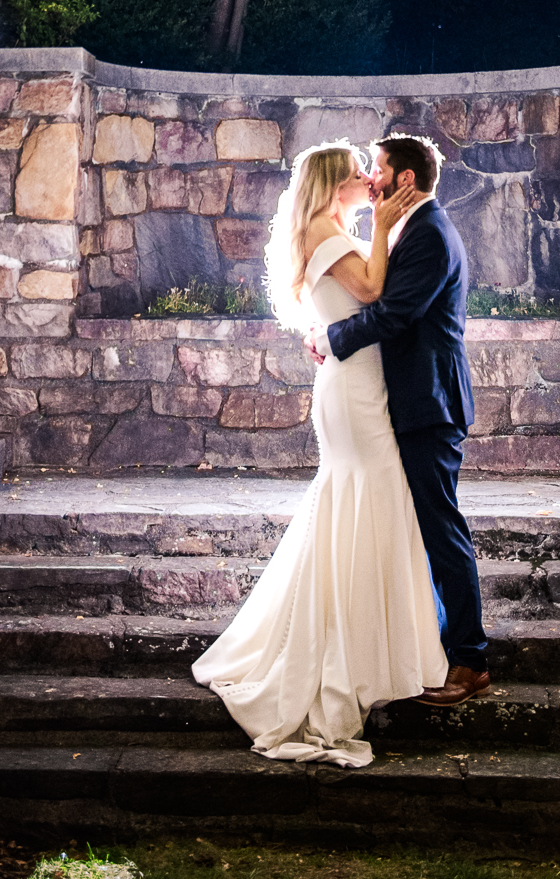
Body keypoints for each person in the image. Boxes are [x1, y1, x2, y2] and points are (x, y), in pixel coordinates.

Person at [191, 140, 449, 765]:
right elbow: (371, 291)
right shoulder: (326, 231)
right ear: (336, 184)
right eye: (360, 174)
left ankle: (372, 644)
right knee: (371, 498)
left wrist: (375, 231)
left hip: (358, 383)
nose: (370, 180)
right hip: (354, 393)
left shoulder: (329, 227)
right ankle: (355, 652)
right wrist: (384, 229)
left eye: (375, 171)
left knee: (365, 504)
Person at [318, 134, 490, 707]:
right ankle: (438, 647)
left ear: (406, 181)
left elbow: (392, 314)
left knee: (441, 529)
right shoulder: (408, 228)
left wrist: (332, 337)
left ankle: (470, 661)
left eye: (380, 170)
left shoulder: (430, 235)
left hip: (429, 404)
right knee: (422, 528)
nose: (371, 179)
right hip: (414, 402)